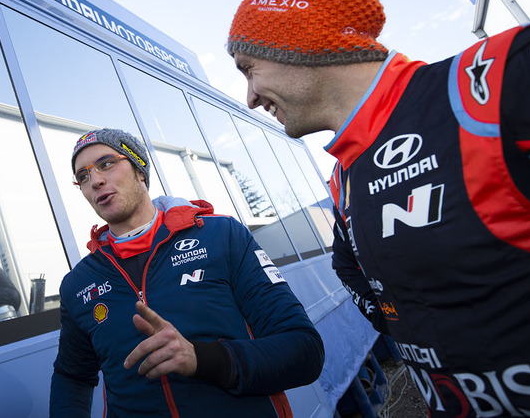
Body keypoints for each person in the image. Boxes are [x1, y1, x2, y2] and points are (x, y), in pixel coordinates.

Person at [227, 0, 530, 417]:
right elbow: (367, 285)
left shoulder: (495, 83)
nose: (248, 97)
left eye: (248, 68)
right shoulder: (345, 176)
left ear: (301, 41)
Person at [49, 128, 324, 417]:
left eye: (106, 163)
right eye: (83, 176)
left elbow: (304, 350)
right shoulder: (78, 284)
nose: (95, 181)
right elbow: (73, 377)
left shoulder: (221, 235)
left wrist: (201, 359)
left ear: (140, 171)